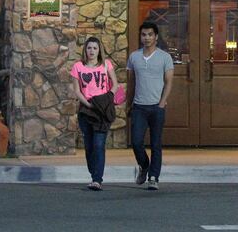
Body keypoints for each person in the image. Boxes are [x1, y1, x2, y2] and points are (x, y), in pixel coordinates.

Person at [127, 21, 174, 190]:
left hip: (156, 107)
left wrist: (162, 102)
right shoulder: (134, 57)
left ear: (156, 37)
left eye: (150, 35)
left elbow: (168, 82)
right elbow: (131, 82)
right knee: (137, 141)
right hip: (139, 106)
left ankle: (154, 177)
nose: (146, 38)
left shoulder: (165, 57)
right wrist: (128, 103)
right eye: (143, 35)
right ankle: (144, 165)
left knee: (156, 143)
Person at [70, 36, 118, 191]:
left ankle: (97, 179)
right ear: (85, 50)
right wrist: (89, 104)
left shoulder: (106, 65)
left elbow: (115, 84)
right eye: (89, 48)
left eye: (95, 48)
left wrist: (107, 99)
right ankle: (93, 173)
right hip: (86, 109)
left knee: (99, 145)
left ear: (99, 50)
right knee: (89, 145)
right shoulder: (78, 66)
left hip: (102, 110)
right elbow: (77, 90)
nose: (91, 51)